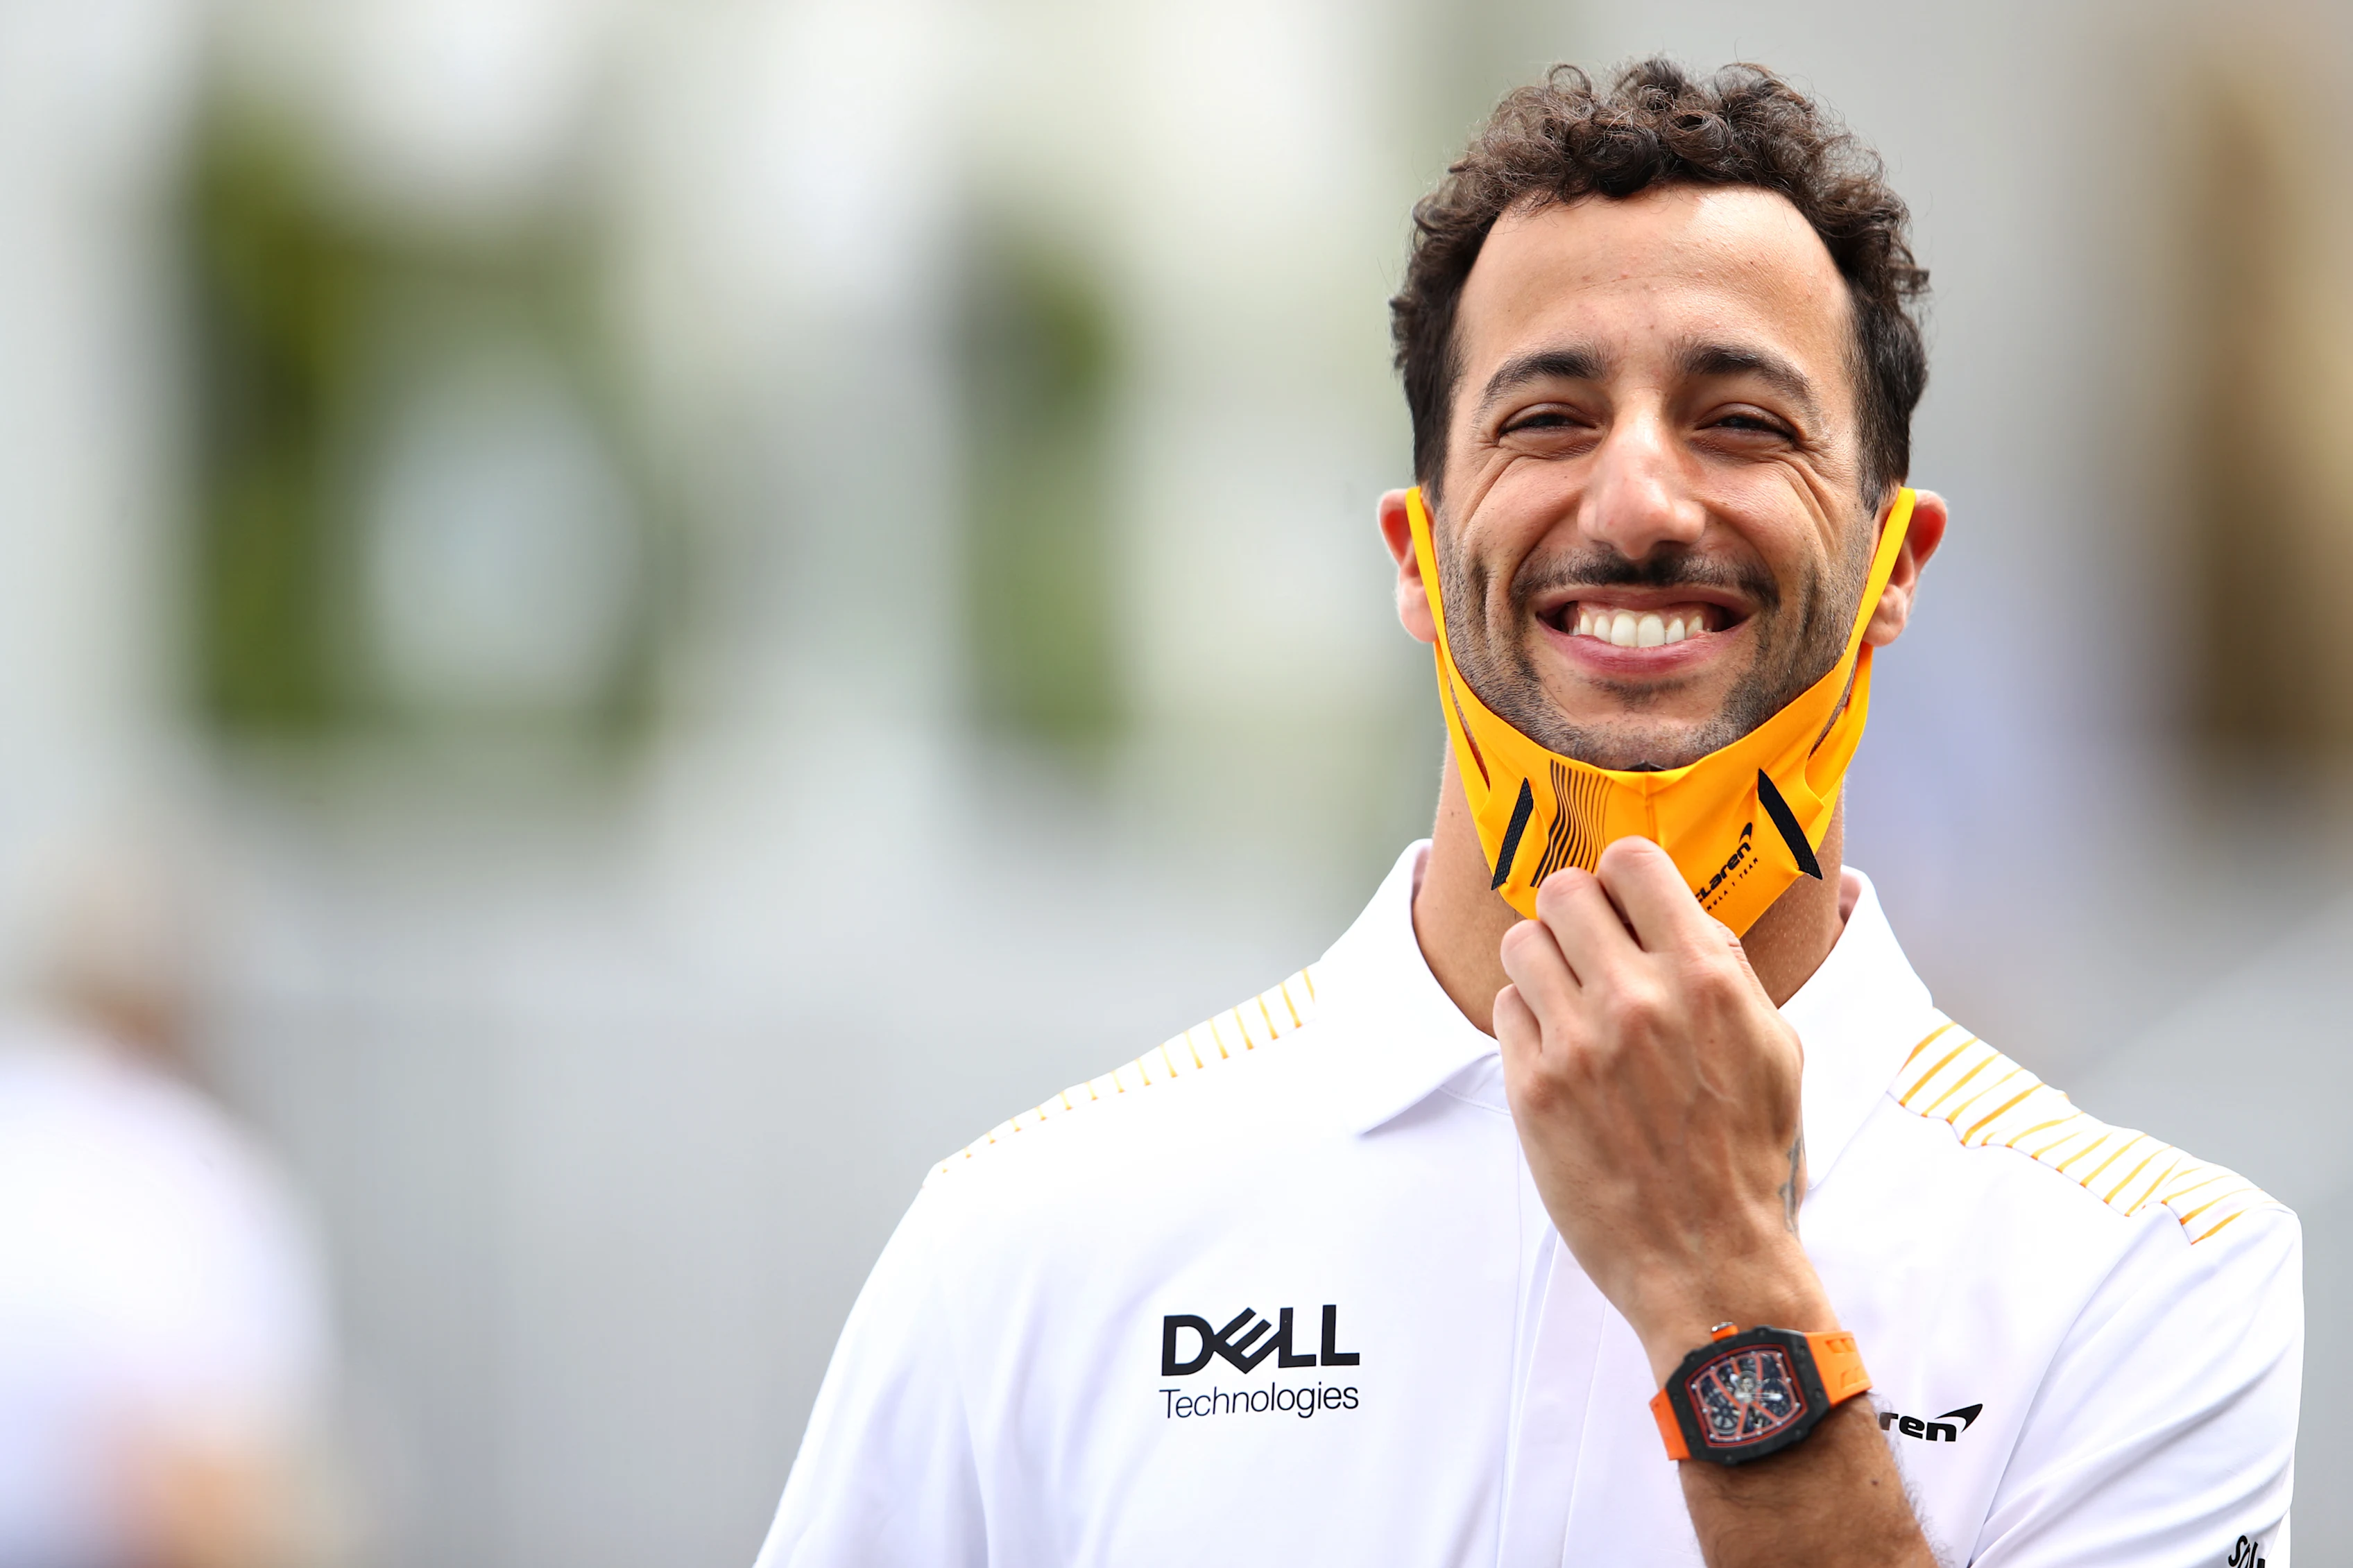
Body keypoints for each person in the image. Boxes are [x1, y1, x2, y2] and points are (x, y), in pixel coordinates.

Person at [755, 60, 2300, 1567]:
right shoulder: (1027, 1243)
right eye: (1546, 419)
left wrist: (1723, 1288)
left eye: (1742, 421)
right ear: (1419, 557)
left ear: (1896, 561)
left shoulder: (2150, 1278)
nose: (1635, 503)